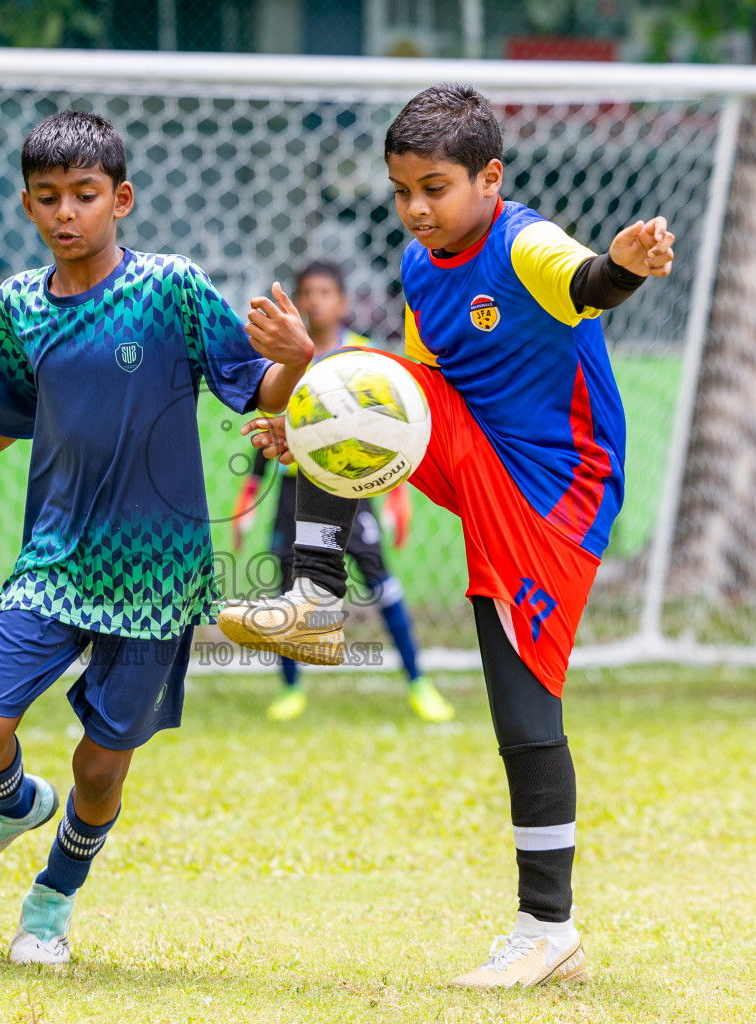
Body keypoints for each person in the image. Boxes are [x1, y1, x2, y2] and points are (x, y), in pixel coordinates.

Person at [219, 84, 677, 989]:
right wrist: (317, 432)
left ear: (489, 178)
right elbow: (414, 399)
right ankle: (314, 599)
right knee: (336, 386)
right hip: (480, 458)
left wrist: (622, 264)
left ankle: (549, 931)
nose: (417, 208)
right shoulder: (420, 266)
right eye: (402, 191)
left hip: (555, 491)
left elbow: (586, 283)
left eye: (434, 187)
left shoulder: (524, 240)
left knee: (522, 702)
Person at [0, 110, 313, 966]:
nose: (67, 213)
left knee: (101, 770)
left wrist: (296, 356)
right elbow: (4, 422)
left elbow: (257, 393)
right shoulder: (18, 308)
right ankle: (12, 804)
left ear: (122, 198)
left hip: (159, 576)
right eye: (48, 198)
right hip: (56, 561)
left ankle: (49, 907)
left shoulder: (171, 288)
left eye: (86, 195)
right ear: (28, 206)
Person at [229, 261, 454, 724]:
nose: (315, 301)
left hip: (353, 493)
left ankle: (418, 682)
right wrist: (246, 499)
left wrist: (398, 498)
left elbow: (392, 431)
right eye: (307, 292)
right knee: (290, 593)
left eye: (326, 292)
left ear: (344, 303)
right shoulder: (288, 364)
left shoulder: (364, 358)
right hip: (293, 496)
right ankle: (290, 688)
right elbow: (270, 435)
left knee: (383, 587)